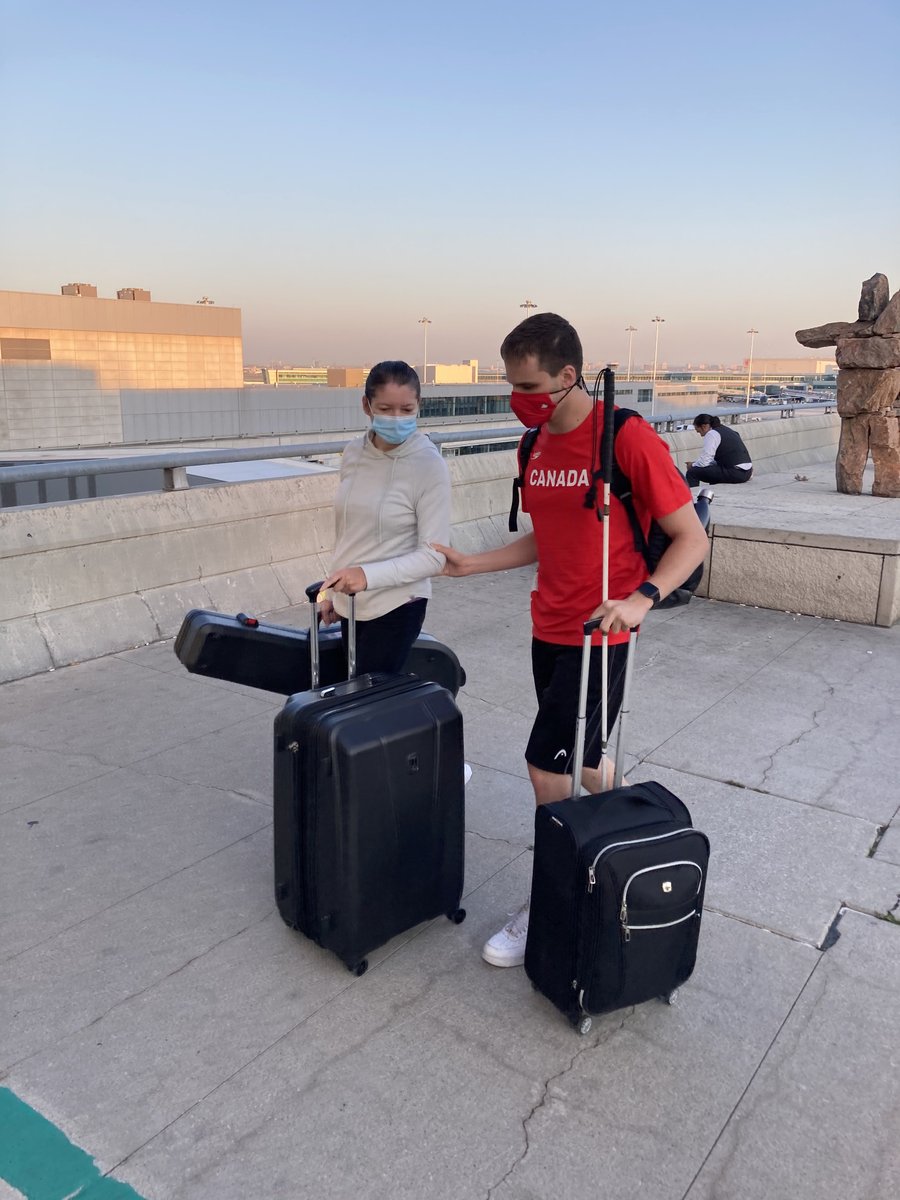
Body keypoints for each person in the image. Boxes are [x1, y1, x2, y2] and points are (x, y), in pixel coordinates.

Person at [432, 313, 709, 968]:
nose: (517, 397)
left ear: (567, 375)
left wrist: (643, 599)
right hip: (547, 627)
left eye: (528, 384)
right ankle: (637, 838)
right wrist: (474, 564)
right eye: (510, 383)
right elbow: (547, 536)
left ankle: (551, 894)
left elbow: (690, 537)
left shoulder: (624, 438)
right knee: (585, 763)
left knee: (544, 764)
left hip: (602, 635)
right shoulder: (535, 446)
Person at [318, 360, 450, 677]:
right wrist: (331, 593)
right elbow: (349, 532)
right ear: (367, 405)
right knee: (346, 700)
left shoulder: (428, 464)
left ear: (419, 406)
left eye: (406, 409)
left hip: (397, 605)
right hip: (352, 602)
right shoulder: (353, 453)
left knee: (366, 710)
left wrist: (367, 576)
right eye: (386, 408)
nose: (396, 418)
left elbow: (435, 556)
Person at [685, 414, 752, 487]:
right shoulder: (727, 430)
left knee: (692, 472)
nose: (701, 435)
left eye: (699, 431)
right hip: (747, 472)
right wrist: (696, 463)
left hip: (735, 473)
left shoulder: (712, 434)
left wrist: (692, 465)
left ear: (704, 426)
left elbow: (704, 462)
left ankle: (693, 496)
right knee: (713, 470)